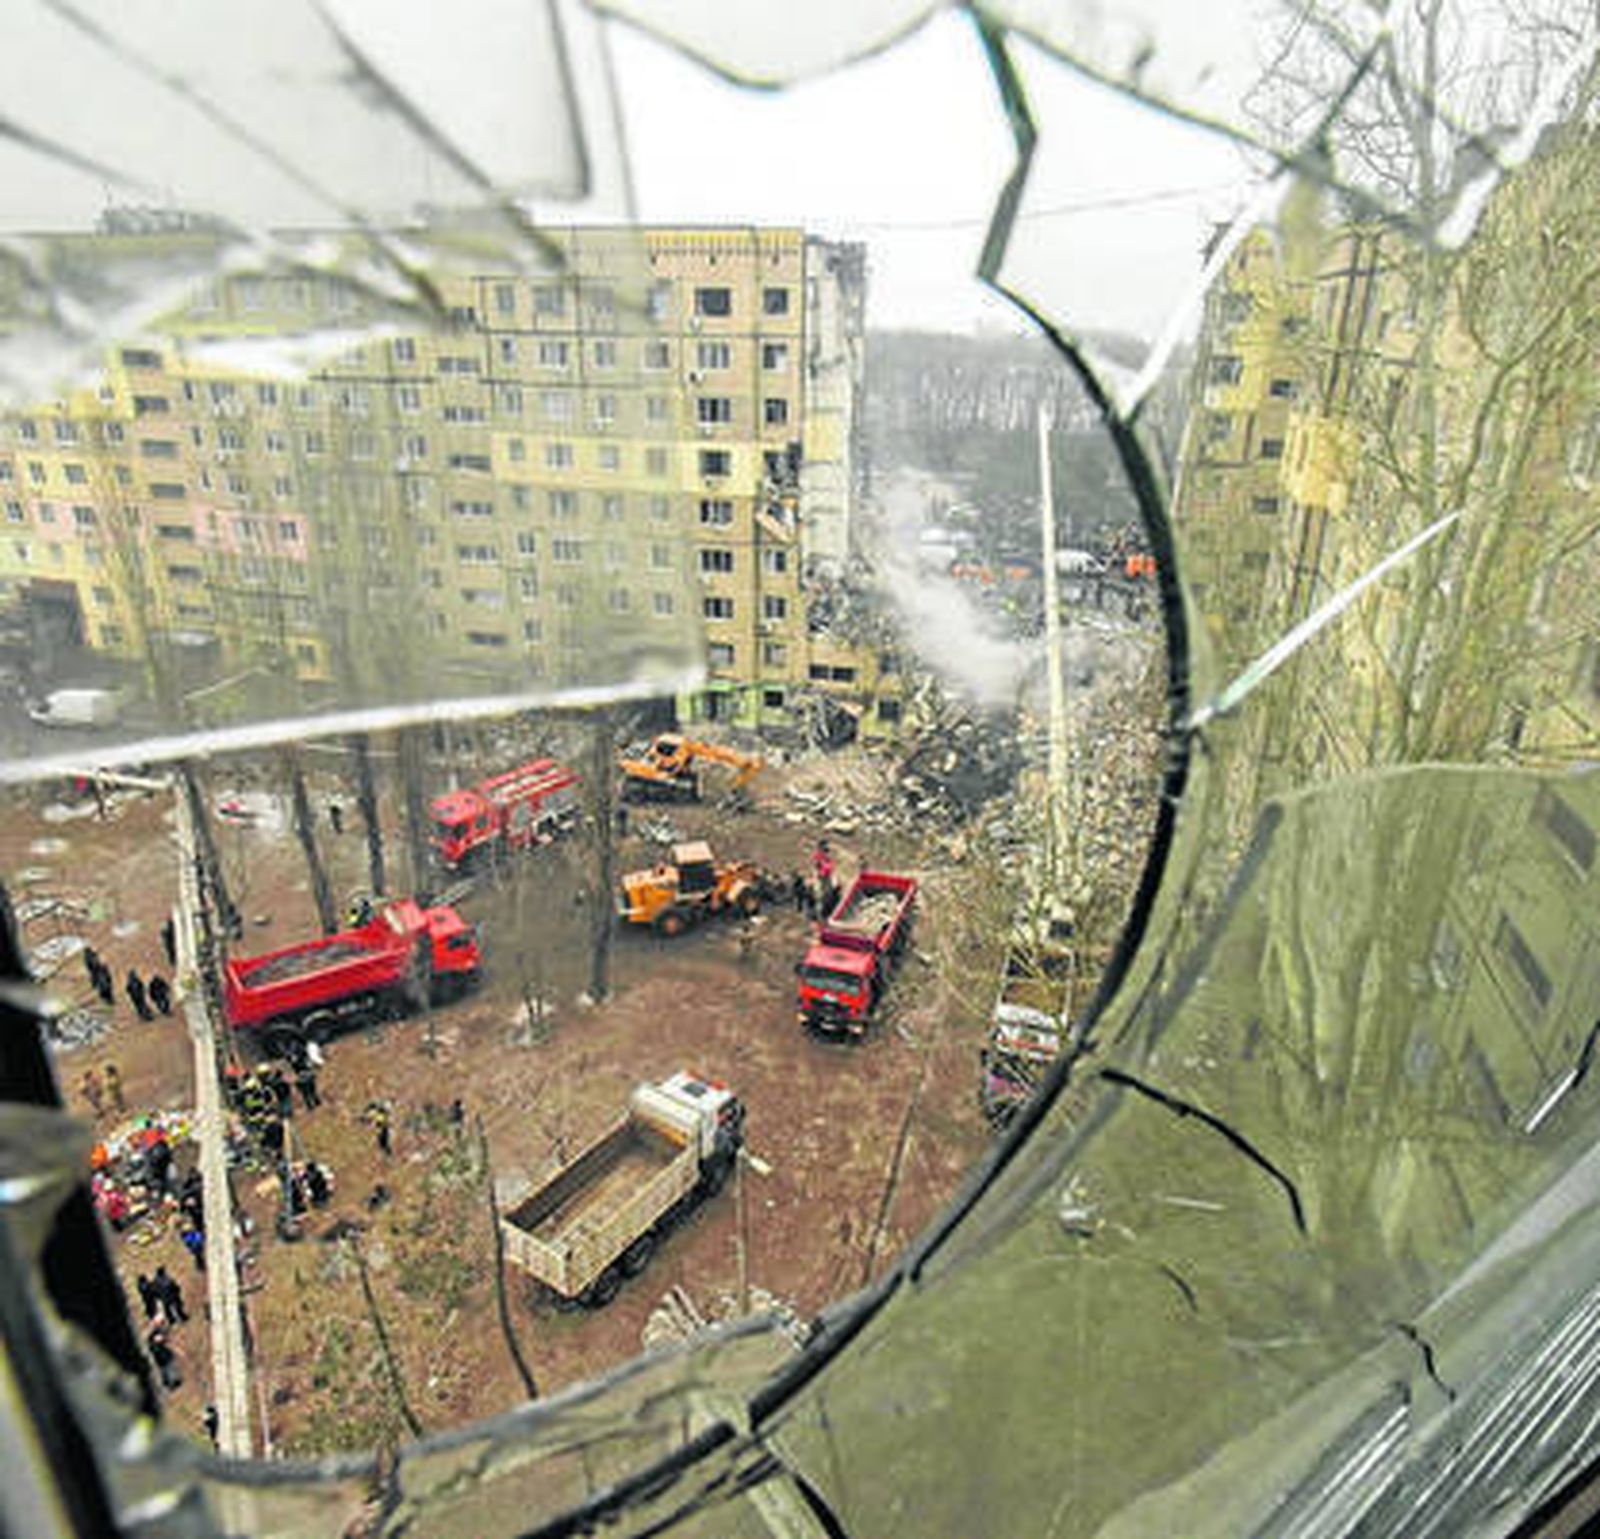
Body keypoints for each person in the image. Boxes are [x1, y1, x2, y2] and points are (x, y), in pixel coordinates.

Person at [146, 1324, 182, 1391]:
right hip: (163, 1359)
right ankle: (170, 1383)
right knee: (167, 1370)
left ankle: (174, 1381)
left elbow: (166, 1340)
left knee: (171, 1368)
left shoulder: (159, 1338)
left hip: (165, 1357)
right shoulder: (154, 1343)